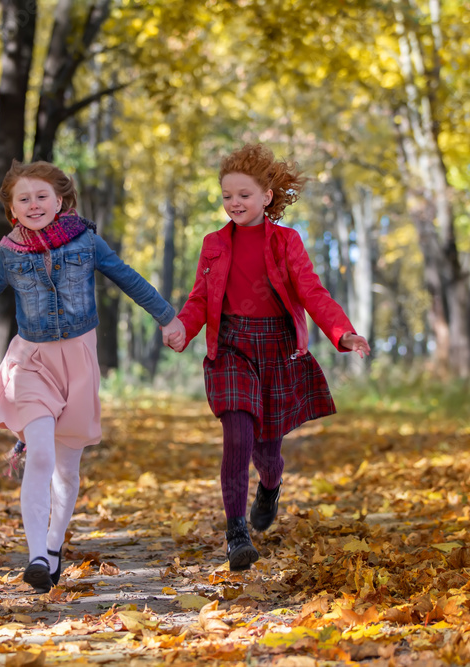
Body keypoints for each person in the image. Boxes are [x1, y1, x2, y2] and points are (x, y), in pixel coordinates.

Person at [0, 160, 184, 593]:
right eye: (23, 199)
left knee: (67, 472)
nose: (33, 205)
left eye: (41, 197)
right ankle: (34, 556)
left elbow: (127, 277)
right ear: (13, 209)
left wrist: (167, 318)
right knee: (41, 456)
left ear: (60, 201)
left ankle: (53, 549)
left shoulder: (87, 242)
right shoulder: (9, 255)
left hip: (78, 365)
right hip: (31, 363)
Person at [163, 143, 369, 571]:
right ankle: (236, 531)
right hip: (232, 345)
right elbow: (201, 298)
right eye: (227, 196)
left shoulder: (286, 242)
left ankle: (270, 486)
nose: (234, 203)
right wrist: (184, 326)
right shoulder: (214, 244)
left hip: (276, 347)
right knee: (237, 431)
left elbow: (312, 291)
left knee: (267, 450)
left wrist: (342, 332)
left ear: (266, 197)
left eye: (243, 195)